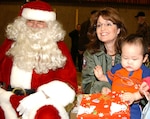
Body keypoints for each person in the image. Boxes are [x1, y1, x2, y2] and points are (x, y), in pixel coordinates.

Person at [0, 1, 77, 119]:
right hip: (7, 99)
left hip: (40, 101)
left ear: (49, 25)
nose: (34, 25)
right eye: (30, 21)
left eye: (40, 22)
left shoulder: (58, 48)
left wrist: (43, 95)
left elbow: (69, 83)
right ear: (22, 23)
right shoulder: (10, 44)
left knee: (47, 115)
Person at [94, 34, 150, 119]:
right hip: (113, 103)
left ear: (144, 58)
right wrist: (101, 76)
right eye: (125, 58)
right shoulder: (118, 68)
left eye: (134, 59)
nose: (129, 62)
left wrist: (134, 96)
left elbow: (146, 88)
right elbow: (109, 78)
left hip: (132, 107)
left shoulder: (144, 71)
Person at [81, 7, 127, 94]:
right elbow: (86, 84)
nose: (102, 29)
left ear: (118, 30)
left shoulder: (130, 51)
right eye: (99, 25)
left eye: (108, 24)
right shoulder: (90, 54)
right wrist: (102, 88)